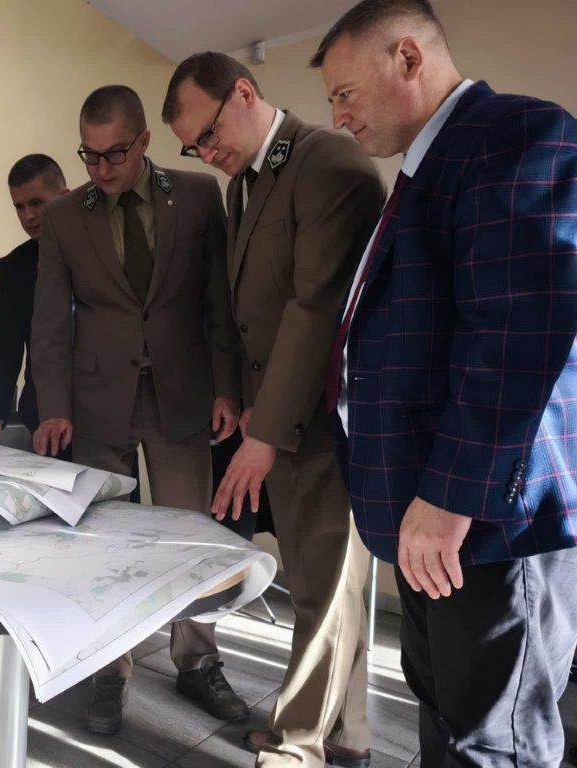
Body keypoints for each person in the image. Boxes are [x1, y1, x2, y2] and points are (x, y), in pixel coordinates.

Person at [311, 1, 577, 765]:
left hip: (486, 522)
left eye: (345, 94)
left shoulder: (516, 135)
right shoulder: (434, 167)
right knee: (446, 717)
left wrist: (451, 497)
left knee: (493, 743)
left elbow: (519, 333)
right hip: (437, 519)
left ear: (408, 57)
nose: (338, 117)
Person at [163, 52, 385, 768]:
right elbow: (245, 308)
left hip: (323, 422)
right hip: (280, 416)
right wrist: (234, 393)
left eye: (207, 135)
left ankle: (299, 747)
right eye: (192, 148)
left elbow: (314, 308)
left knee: (325, 591)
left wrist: (263, 434)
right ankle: (344, 734)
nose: (206, 153)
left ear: (245, 92)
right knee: (324, 587)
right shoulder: (247, 184)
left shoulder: (327, 162)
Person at [30, 84, 243, 735]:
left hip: (182, 392)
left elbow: (219, 302)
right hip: (98, 402)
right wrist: (53, 406)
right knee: (105, 542)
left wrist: (228, 388)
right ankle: (108, 667)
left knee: (190, 535)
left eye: (114, 154)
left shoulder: (198, 196)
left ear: (145, 141)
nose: (100, 169)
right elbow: (49, 322)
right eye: (88, 155)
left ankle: (198, 660)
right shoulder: (64, 216)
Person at [0, 154, 69, 445]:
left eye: (37, 203)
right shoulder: (14, 266)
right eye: (19, 207)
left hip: (106, 419)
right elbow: (7, 345)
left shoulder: (103, 254)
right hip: (43, 419)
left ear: (65, 198)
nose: (28, 216)